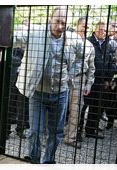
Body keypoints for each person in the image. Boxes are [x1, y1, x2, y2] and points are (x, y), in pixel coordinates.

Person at [14, 6, 86, 166]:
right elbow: (13, 38)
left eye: (64, 23)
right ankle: (33, 161)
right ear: (50, 19)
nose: (60, 26)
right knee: (35, 131)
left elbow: (82, 58)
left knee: (56, 132)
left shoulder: (74, 39)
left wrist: (72, 72)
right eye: (57, 21)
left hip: (61, 93)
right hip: (38, 93)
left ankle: (48, 162)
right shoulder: (35, 32)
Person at [64, 17, 95, 149]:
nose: (85, 29)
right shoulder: (65, 40)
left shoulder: (89, 45)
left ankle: (70, 138)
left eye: (88, 27)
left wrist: (88, 85)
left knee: (76, 110)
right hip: (62, 78)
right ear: (76, 25)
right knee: (55, 108)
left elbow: (91, 68)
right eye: (83, 26)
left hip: (79, 79)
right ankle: (47, 137)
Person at [83, 21, 114, 139]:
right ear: (95, 29)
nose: (103, 32)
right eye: (101, 30)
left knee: (96, 107)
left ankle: (91, 130)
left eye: (105, 30)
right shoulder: (88, 41)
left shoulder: (109, 44)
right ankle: (79, 130)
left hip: (101, 81)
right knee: (83, 106)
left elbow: (111, 63)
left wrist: (108, 79)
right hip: (88, 80)